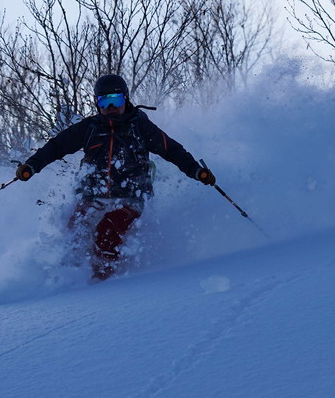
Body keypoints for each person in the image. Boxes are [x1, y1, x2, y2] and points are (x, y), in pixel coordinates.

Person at [13, 73, 216, 281]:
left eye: (116, 100)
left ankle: (103, 282)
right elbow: (57, 146)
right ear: (97, 103)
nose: (111, 107)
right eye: (104, 101)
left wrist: (195, 171)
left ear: (126, 99)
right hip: (93, 194)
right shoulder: (89, 128)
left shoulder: (140, 127)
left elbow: (171, 150)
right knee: (75, 231)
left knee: (107, 231)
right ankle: (67, 275)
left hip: (131, 196)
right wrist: (31, 166)